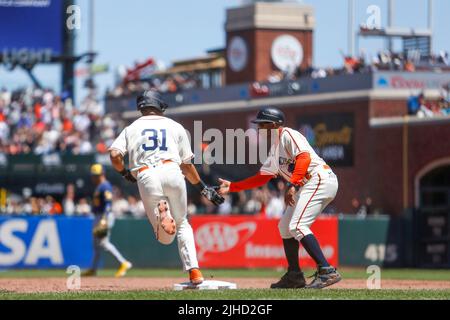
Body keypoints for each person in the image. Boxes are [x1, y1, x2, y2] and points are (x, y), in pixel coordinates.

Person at [108, 90, 224, 285]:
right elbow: (187, 166)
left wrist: (124, 173)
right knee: (183, 223)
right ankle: (194, 271)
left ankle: (164, 212)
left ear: (141, 107)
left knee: (164, 239)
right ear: (160, 106)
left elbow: (114, 155)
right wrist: (204, 189)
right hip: (173, 171)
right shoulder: (175, 126)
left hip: (146, 175)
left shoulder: (131, 128)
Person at [218, 107, 341, 289]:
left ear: (274, 124)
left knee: (297, 226)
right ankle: (294, 275)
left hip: (319, 179)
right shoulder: (275, 149)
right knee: (285, 226)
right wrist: (233, 187)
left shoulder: (288, 135)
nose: (259, 128)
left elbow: (304, 158)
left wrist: (293, 185)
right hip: (307, 184)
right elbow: (262, 177)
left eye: (262, 124)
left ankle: (327, 270)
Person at [82, 164, 132, 277]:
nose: (94, 177)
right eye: (93, 175)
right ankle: (93, 269)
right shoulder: (100, 186)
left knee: (103, 243)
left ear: (102, 174)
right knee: (96, 244)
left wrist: (104, 219)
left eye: (96, 175)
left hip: (104, 216)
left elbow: (108, 204)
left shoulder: (105, 186)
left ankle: (123, 262)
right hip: (99, 216)